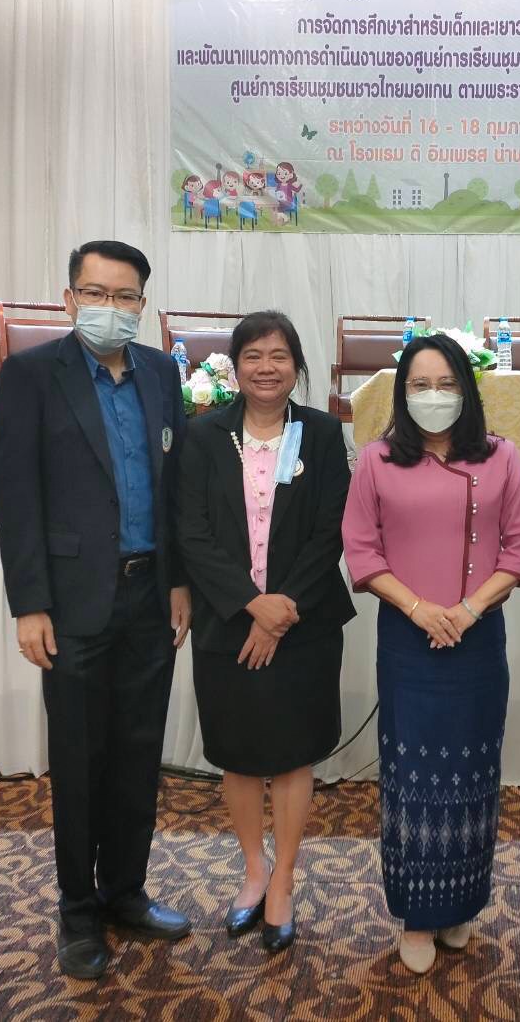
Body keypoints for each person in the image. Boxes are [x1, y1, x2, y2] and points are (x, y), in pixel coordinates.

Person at [0, 239, 193, 979]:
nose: (111, 307)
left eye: (125, 296)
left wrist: (177, 581)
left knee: (138, 755)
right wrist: (29, 604)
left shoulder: (162, 373)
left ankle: (125, 893)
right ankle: (77, 910)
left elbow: (173, 488)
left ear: (143, 304)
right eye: (96, 293)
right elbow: (15, 495)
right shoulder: (31, 375)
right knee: (79, 761)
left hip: (149, 596)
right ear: (70, 299)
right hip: (72, 603)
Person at [341, 334, 520, 975]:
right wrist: (421, 609)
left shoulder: (502, 457)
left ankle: (462, 903)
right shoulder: (377, 460)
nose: (434, 396)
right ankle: (417, 913)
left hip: (478, 639)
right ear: (402, 395)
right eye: (420, 385)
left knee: (474, 774)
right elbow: (361, 549)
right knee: (414, 777)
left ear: (467, 392)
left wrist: (468, 610)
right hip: (409, 639)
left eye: (446, 384)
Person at [176, 311, 355, 954]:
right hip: (227, 622)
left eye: (279, 355)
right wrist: (252, 605)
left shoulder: (323, 433)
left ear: (296, 365)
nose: (266, 367)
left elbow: (330, 530)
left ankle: (283, 881)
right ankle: (254, 869)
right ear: (235, 366)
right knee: (239, 753)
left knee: (293, 753)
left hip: (304, 624)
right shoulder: (204, 435)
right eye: (252, 355)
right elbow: (191, 531)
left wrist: (282, 612)